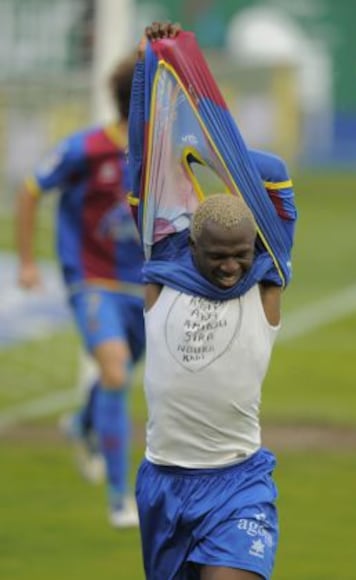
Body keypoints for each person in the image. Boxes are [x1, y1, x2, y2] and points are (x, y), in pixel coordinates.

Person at [130, 23, 297, 579]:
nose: (232, 266)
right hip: (162, 485)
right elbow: (147, 164)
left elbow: (275, 179)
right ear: (191, 246)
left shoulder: (267, 280)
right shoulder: (160, 275)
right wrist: (148, 65)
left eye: (241, 255)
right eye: (218, 256)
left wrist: (209, 149)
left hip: (239, 485)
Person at [15, 52, 145, 529]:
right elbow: (30, 189)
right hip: (92, 281)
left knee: (120, 372)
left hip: (144, 286)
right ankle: (119, 500)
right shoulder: (85, 149)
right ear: (141, 100)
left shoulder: (159, 153)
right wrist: (28, 262)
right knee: (114, 372)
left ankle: (80, 424)